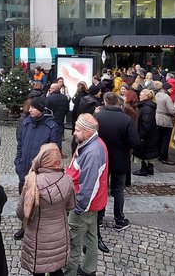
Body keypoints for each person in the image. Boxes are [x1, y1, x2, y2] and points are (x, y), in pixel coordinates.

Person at [17, 144, 75, 276]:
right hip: (60, 235)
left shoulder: (32, 182)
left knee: (38, 270)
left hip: (38, 237)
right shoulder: (67, 179)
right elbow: (70, 206)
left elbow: (21, 212)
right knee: (56, 269)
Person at [64, 114, 108, 276]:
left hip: (83, 205)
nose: (74, 133)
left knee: (73, 242)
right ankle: (89, 269)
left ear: (88, 131)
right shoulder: (91, 144)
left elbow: (89, 184)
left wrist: (79, 207)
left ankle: (68, 272)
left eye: (77, 130)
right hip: (92, 204)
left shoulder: (93, 152)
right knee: (90, 237)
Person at [13, 97, 62, 240]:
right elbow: (20, 145)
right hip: (24, 170)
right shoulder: (26, 123)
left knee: (40, 203)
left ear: (40, 109)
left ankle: (39, 229)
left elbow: (54, 153)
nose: (29, 110)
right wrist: (19, 162)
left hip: (41, 174)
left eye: (33, 108)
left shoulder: (52, 127)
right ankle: (24, 226)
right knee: (24, 200)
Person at [95, 92, 140, 233]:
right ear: (117, 102)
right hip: (120, 159)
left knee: (101, 188)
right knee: (118, 190)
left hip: (101, 158)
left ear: (105, 101)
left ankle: (99, 218)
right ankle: (119, 220)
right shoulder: (126, 119)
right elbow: (135, 141)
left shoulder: (97, 117)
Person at [133, 89, 161, 177]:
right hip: (151, 134)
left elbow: (146, 123)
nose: (139, 96)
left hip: (146, 135)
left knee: (144, 152)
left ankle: (144, 169)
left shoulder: (146, 108)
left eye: (141, 95)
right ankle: (149, 168)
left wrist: (141, 135)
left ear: (146, 96)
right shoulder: (148, 106)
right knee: (149, 152)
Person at [155, 81, 175, 166]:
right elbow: (172, 111)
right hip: (166, 120)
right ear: (167, 89)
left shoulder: (157, 94)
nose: (172, 90)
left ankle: (159, 155)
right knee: (165, 140)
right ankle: (164, 157)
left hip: (158, 118)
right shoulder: (167, 97)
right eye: (171, 89)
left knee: (159, 138)